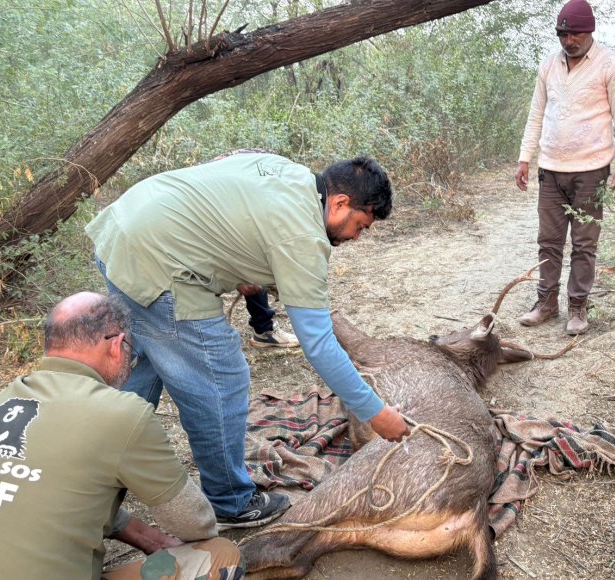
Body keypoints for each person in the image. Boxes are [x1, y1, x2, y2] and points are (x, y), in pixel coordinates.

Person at [86, 151, 411, 529]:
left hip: (122, 230)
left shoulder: (292, 175)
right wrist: (376, 412)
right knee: (221, 377)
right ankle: (230, 501)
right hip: (159, 261)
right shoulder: (303, 235)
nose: (356, 236)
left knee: (148, 362)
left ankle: (94, 472)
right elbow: (318, 343)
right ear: (340, 203)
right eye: (361, 224)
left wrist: (237, 265)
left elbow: (230, 206)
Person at [0, 292, 242, 579]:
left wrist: (143, 536)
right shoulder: (123, 413)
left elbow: (31, 486)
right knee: (221, 554)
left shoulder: (5, 399)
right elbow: (194, 524)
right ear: (118, 345)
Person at [514, 0, 615, 335]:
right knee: (549, 241)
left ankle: (578, 308)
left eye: (575, 33)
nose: (569, 40)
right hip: (551, 169)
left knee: (584, 244)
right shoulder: (548, 66)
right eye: (562, 34)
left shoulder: (612, 66)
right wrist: (525, 158)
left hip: (592, 170)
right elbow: (536, 115)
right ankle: (546, 303)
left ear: (590, 31)